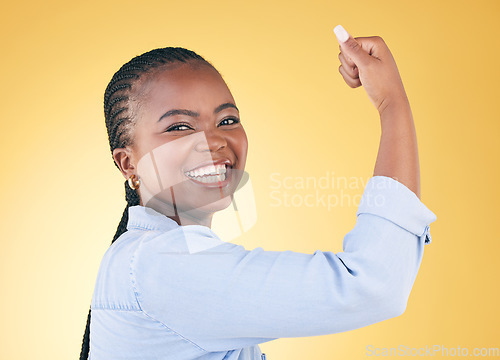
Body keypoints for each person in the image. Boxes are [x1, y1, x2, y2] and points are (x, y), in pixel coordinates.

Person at [79, 25, 437, 360]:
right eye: (179, 126)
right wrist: (392, 103)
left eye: (227, 120)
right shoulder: (165, 266)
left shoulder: (150, 257)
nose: (214, 140)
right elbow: (372, 284)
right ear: (128, 163)